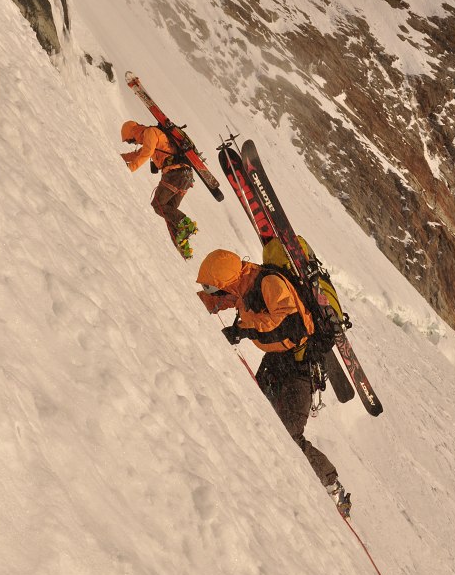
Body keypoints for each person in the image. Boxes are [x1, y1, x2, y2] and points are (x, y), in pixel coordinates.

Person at [196, 248, 351, 517]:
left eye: (212, 287)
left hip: (300, 367)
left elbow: (293, 327)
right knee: (257, 420)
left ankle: (332, 485)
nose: (211, 292)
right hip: (277, 363)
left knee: (289, 435)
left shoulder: (267, 283)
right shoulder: (243, 288)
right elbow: (224, 305)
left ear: (226, 282)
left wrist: (245, 330)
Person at [120, 120, 197, 259]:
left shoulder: (150, 133)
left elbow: (145, 154)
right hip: (185, 177)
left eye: (131, 141)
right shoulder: (151, 136)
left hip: (175, 175)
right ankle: (182, 244)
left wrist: (129, 169)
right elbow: (137, 154)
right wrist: (118, 158)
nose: (134, 143)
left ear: (132, 132)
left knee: (158, 205)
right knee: (168, 212)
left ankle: (186, 223)